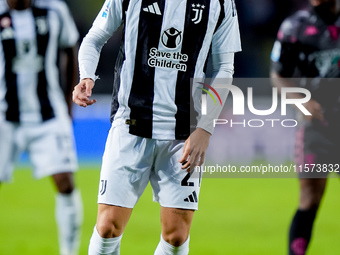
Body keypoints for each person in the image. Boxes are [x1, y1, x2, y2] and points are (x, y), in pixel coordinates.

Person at [72, 0, 241, 254]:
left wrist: (205, 129)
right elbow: (95, 37)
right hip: (130, 124)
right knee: (108, 227)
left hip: (183, 135)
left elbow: (224, 68)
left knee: (176, 236)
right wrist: (86, 75)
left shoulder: (221, 3)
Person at [0, 0, 83, 254]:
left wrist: (69, 105)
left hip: (48, 114)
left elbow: (71, 48)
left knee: (65, 183)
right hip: (4, 115)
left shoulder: (54, 10)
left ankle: (69, 251)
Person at [270, 0, 340, 254]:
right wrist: (300, 101)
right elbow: (278, 74)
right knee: (309, 200)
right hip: (316, 127)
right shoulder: (295, 26)